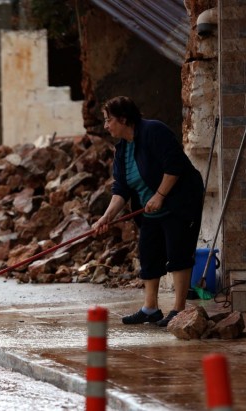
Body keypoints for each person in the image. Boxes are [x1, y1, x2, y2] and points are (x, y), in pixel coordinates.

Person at [93, 96, 204, 327]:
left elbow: (174, 165)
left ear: (123, 119)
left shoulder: (153, 131)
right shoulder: (122, 149)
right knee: (149, 253)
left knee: (178, 251)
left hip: (179, 201)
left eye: (108, 120)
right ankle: (150, 308)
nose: (106, 125)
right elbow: (121, 188)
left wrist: (161, 195)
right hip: (150, 208)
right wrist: (107, 217)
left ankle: (179, 309)